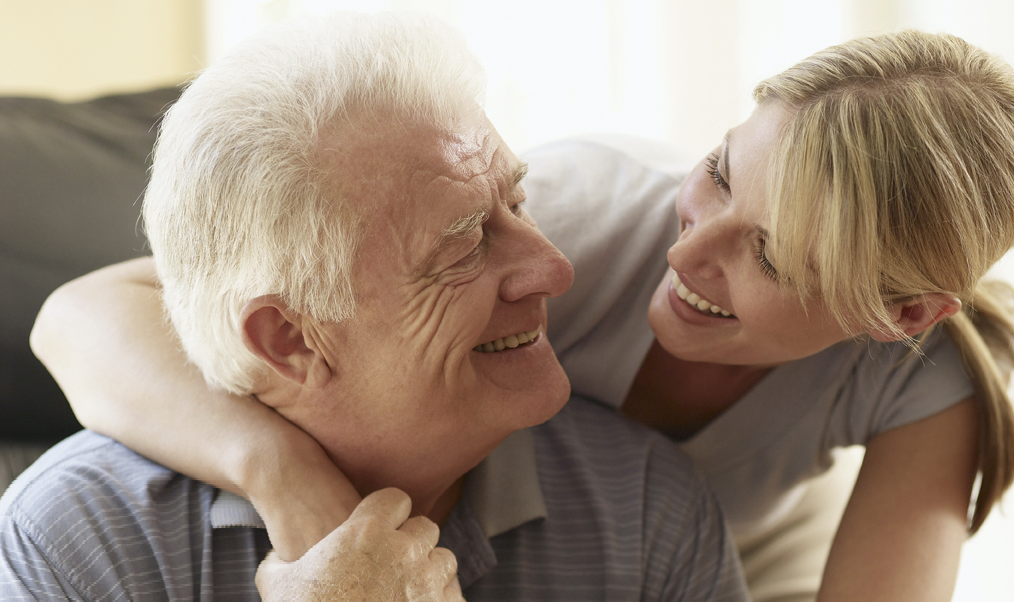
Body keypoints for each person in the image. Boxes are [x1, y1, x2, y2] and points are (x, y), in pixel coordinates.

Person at [30, 27, 1014, 602]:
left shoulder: (921, 386)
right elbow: (81, 313)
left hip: (736, 556)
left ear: (898, 311)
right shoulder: (578, 211)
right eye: (719, 172)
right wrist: (294, 486)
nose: (686, 251)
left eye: (774, 253)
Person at [1, 13, 745, 601]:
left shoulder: (644, 509)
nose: (552, 268)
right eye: (461, 244)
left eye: (518, 203)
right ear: (289, 338)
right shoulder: (76, 544)